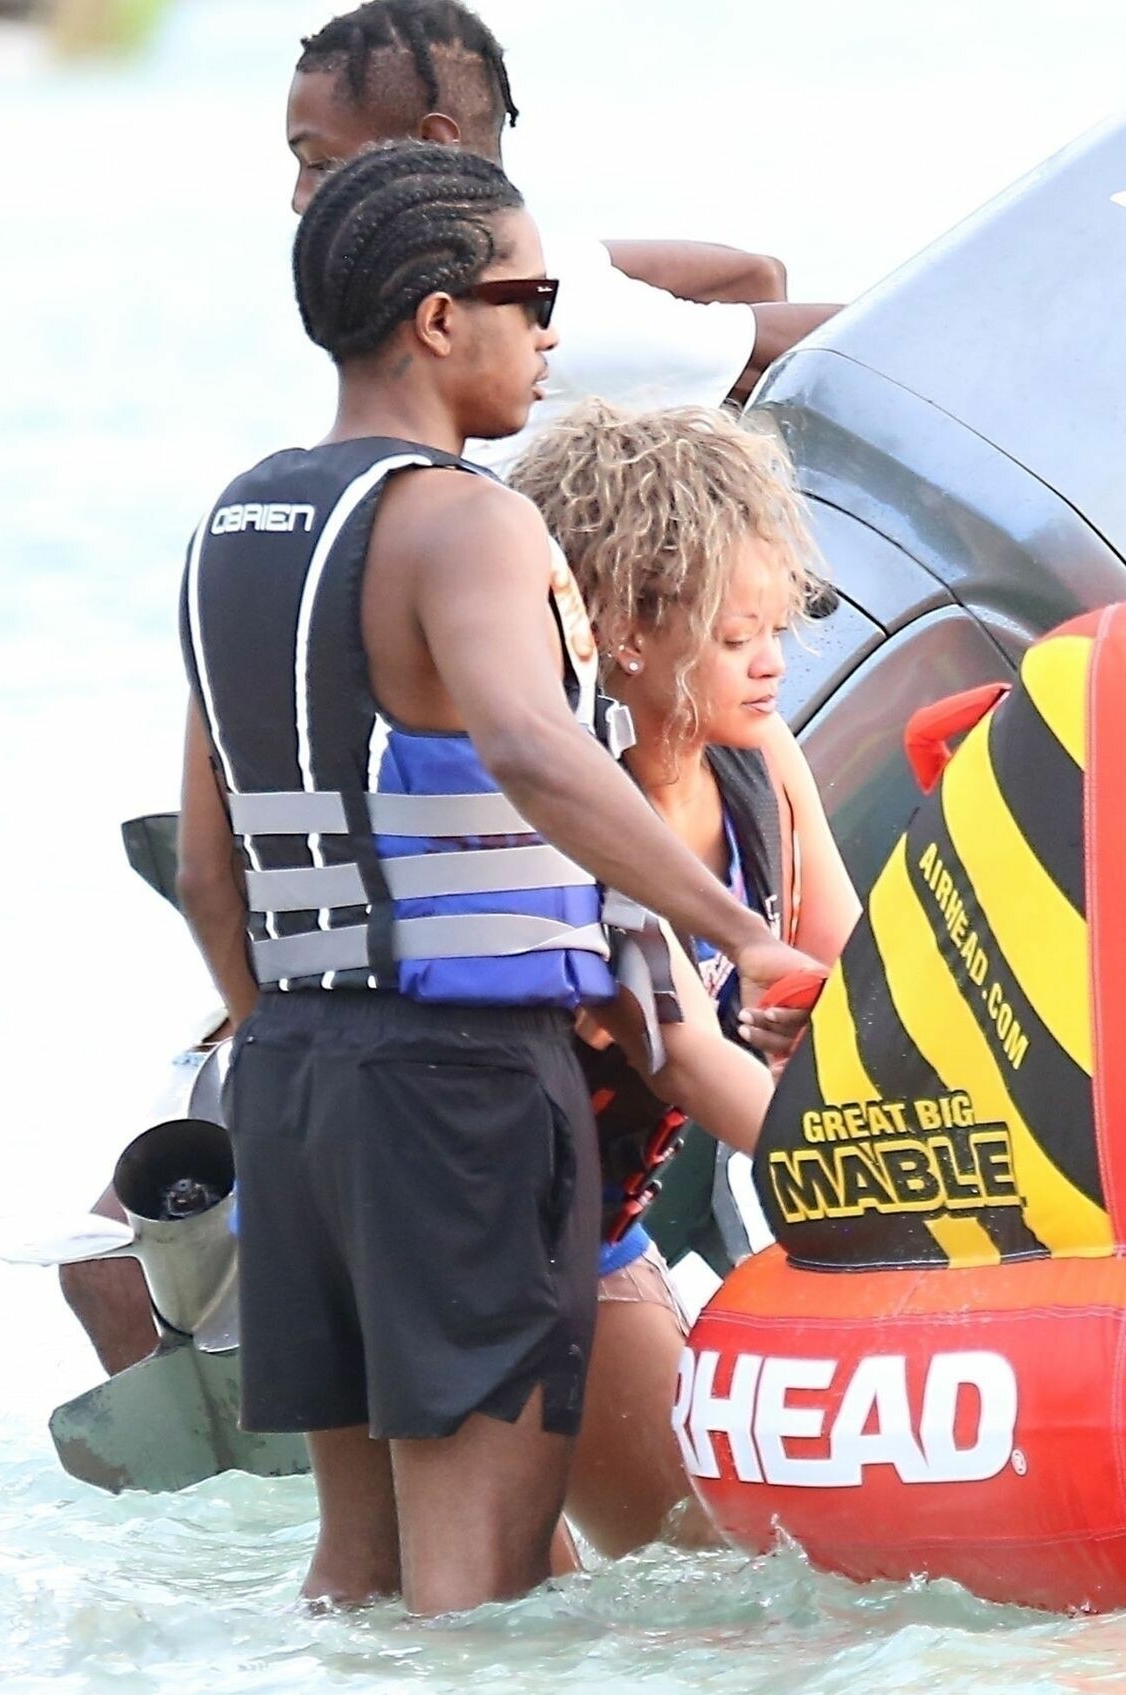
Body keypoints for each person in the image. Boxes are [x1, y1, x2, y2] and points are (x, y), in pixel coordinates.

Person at [175, 141, 819, 1615]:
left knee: (355, 1573)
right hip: (460, 1092)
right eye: (531, 300)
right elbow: (533, 745)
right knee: (485, 1591)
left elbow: (211, 869)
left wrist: (292, 1050)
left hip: (294, 1085)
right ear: (435, 318)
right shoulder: (469, 520)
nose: (551, 335)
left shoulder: (239, 528)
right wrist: (736, 929)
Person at [510, 400, 861, 1556]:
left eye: (777, 626)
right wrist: (876, 1188)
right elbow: (690, 1061)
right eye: (735, 636)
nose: (773, 664)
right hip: (483, 1236)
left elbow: (857, 984)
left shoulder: (760, 761)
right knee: (551, 1584)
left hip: (600, 1227)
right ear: (623, 634)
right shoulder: (571, 815)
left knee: (708, 1566)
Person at [286, 0, 840, 470]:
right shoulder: (541, 278)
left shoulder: (542, 312)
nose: (299, 199)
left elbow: (805, 346)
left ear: (432, 148)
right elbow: (752, 275)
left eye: (322, 165)